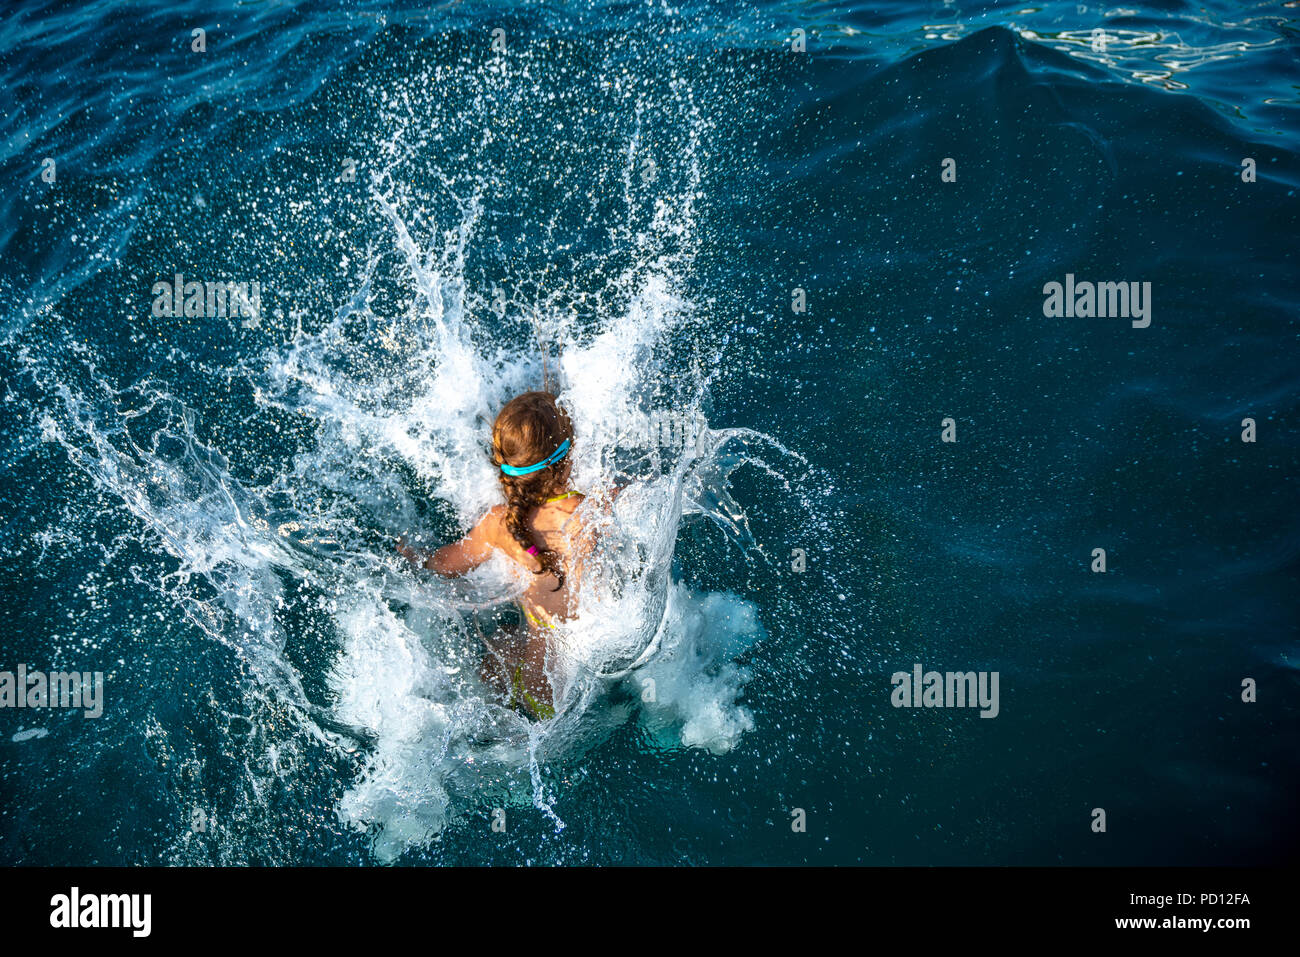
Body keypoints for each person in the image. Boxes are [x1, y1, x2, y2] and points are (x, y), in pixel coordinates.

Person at [397, 391, 601, 719]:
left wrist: (415, 555)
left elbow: (446, 565)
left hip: (532, 687)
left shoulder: (498, 524)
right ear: (567, 457)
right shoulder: (588, 512)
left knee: (500, 642)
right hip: (583, 686)